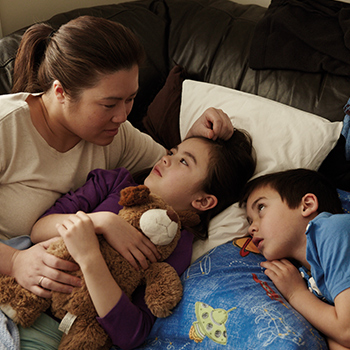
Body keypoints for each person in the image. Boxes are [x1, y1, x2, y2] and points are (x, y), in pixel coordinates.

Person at [0, 14, 234, 303]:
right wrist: (14, 262)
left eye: (130, 99)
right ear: (60, 92)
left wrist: (194, 139)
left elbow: (171, 171)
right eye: (109, 104)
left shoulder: (116, 135)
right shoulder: (6, 127)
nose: (123, 116)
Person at [21, 131, 256, 349]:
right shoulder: (115, 183)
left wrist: (90, 258)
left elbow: (132, 334)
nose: (166, 159)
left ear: (203, 202)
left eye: (184, 161)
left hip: (64, 333)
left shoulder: (177, 247)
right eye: (172, 152)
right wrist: (101, 222)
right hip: (24, 296)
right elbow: (39, 229)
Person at [240, 168, 350, 350]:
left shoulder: (334, 230)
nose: (251, 228)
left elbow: (346, 331)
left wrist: (295, 294)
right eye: (249, 221)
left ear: (306, 205)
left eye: (261, 208)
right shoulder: (311, 272)